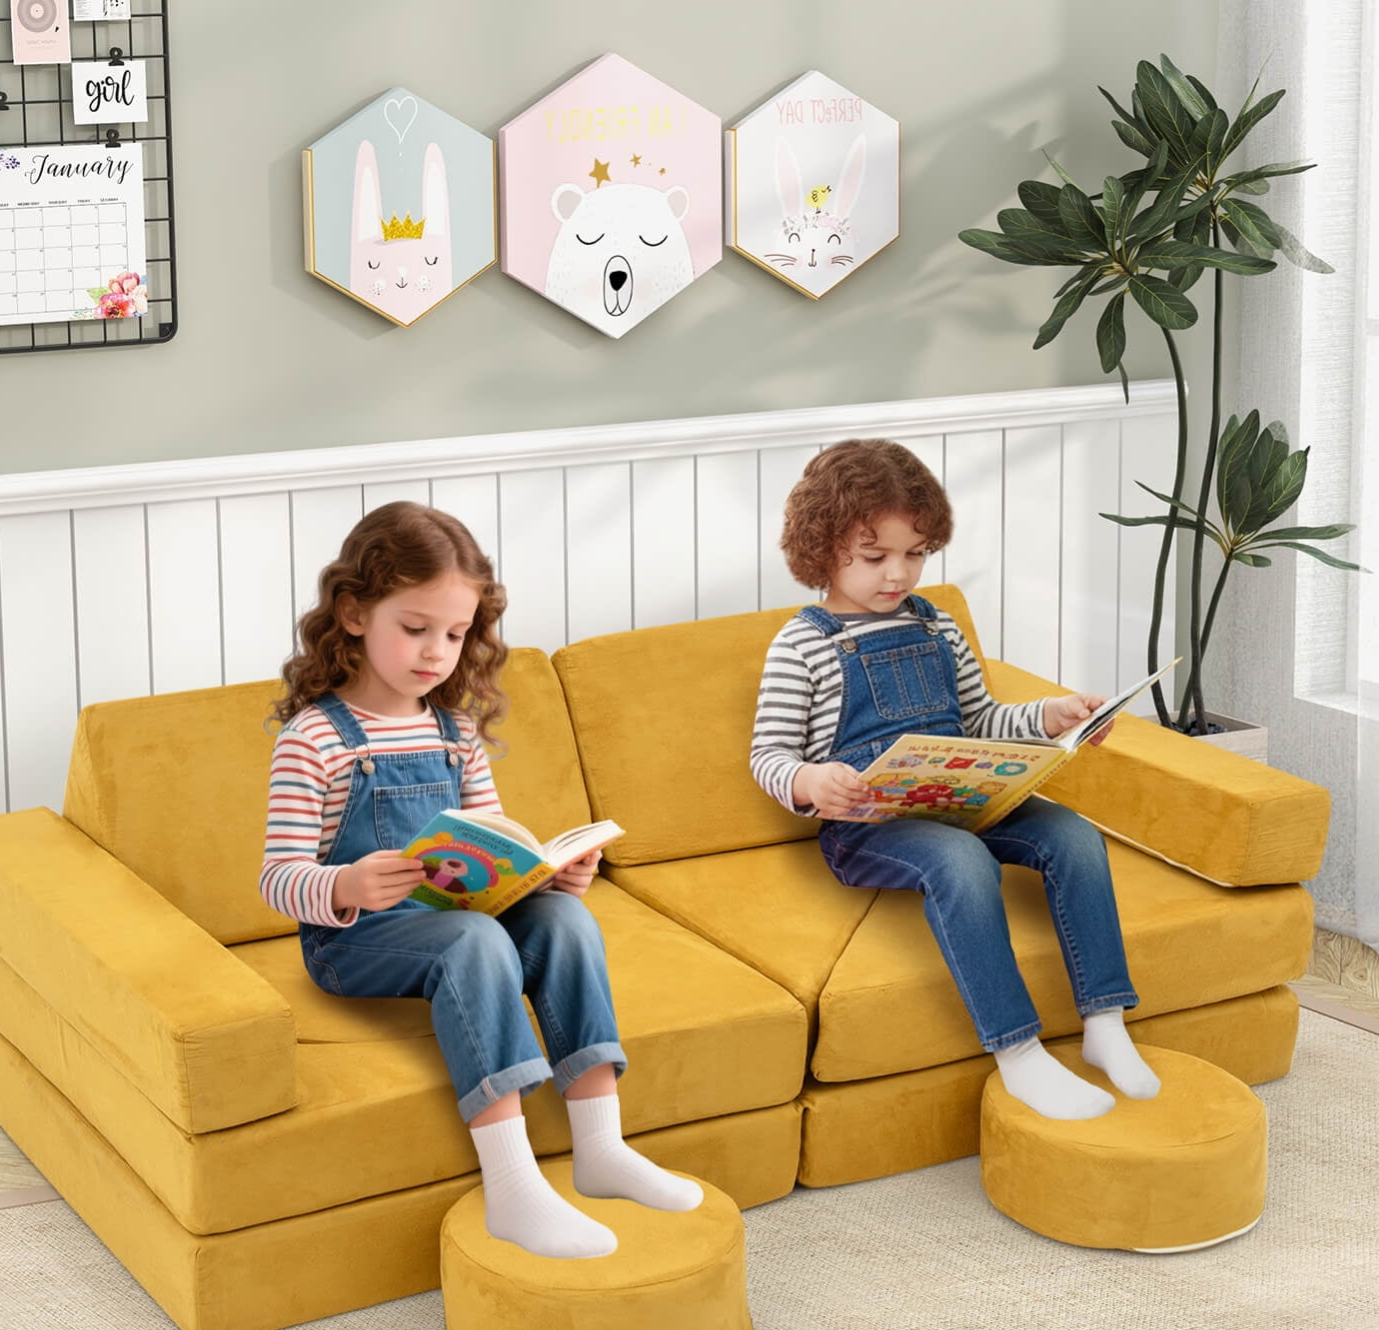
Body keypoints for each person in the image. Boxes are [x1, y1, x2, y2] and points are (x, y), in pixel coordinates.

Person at [260, 501, 701, 1259]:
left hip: (457, 921)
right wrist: (345, 885)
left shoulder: (453, 732)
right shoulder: (315, 740)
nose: (437, 651)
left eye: (456, 634)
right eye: (416, 627)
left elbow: (492, 845)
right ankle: (513, 1187)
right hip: (354, 940)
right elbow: (277, 877)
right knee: (471, 939)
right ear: (354, 612)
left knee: (562, 924)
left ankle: (601, 1146)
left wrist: (551, 878)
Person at [751, 440, 1161, 1121]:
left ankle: (1105, 1022)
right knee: (961, 861)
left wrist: (1049, 716)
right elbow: (768, 753)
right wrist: (810, 781)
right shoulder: (803, 643)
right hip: (870, 826)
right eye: (875, 556)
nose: (898, 573)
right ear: (822, 547)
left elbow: (982, 719)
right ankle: (1019, 1052)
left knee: (1071, 834)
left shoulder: (936, 623)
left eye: (914, 553)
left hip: (967, 799)